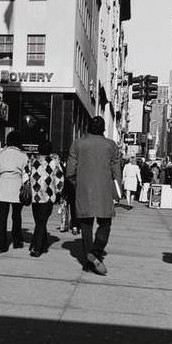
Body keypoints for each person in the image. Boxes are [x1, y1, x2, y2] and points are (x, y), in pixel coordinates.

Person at [66, 116, 121, 276]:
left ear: (88, 127)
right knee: (105, 224)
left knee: (86, 227)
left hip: (83, 189)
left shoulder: (78, 143)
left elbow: (70, 171)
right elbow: (116, 171)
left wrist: (78, 184)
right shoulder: (111, 145)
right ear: (103, 129)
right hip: (104, 190)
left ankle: (87, 261)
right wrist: (117, 192)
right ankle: (96, 252)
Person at [25, 141, 64, 257]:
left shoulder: (32, 161)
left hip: (34, 196)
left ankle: (39, 244)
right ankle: (38, 248)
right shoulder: (54, 163)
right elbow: (59, 179)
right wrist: (58, 191)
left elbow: (25, 176)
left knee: (39, 221)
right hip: (48, 196)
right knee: (42, 221)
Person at [0, 131, 29, 253]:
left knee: (2, 217)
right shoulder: (23, 156)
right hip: (17, 186)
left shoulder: (0, 155)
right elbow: (26, 175)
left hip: (2, 186)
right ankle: (17, 240)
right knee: (16, 216)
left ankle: (1, 245)